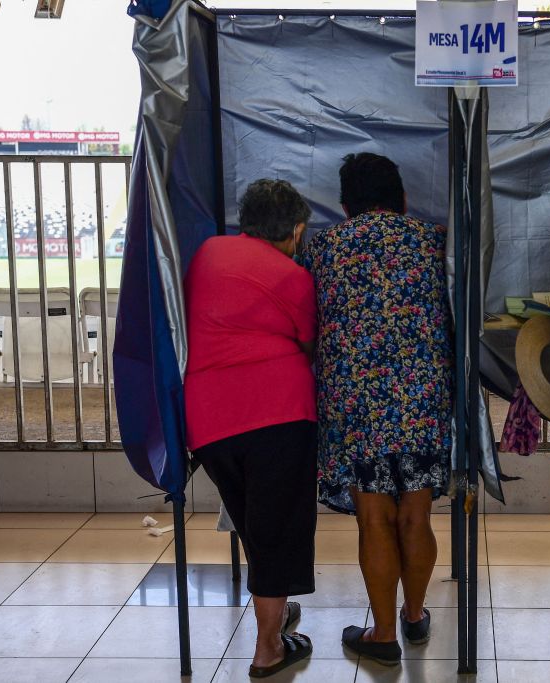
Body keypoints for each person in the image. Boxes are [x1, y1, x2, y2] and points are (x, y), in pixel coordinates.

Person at [304, 153, 453, 666]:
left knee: (374, 519)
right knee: (416, 514)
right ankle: (414, 616)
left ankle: (383, 633)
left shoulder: (324, 247)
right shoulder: (433, 241)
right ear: (403, 198)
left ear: (345, 206)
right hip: (421, 399)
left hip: (358, 404)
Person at [184, 179, 318, 678]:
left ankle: (274, 613)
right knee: (277, 529)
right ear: (297, 230)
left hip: (210, 422)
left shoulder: (207, 253)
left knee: (251, 524)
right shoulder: (294, 277)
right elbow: (309, 343)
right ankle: (268, 648)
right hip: (278, 415)